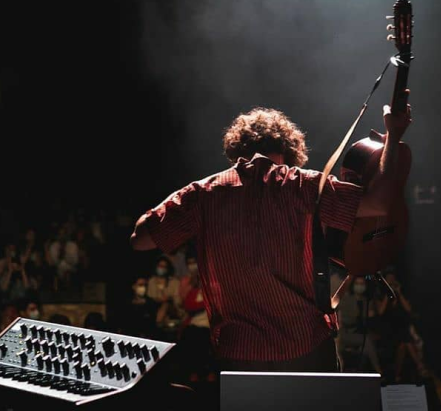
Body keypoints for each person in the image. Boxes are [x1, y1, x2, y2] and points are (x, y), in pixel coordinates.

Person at [130, 96, 412, 372]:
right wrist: (393, 137)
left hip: (239, 355)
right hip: (306, 347)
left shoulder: (202, 194)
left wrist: (175, 203)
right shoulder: (303, 185)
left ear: (237, 151)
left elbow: (140, 240)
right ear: (289, 151)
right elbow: (379, 204)